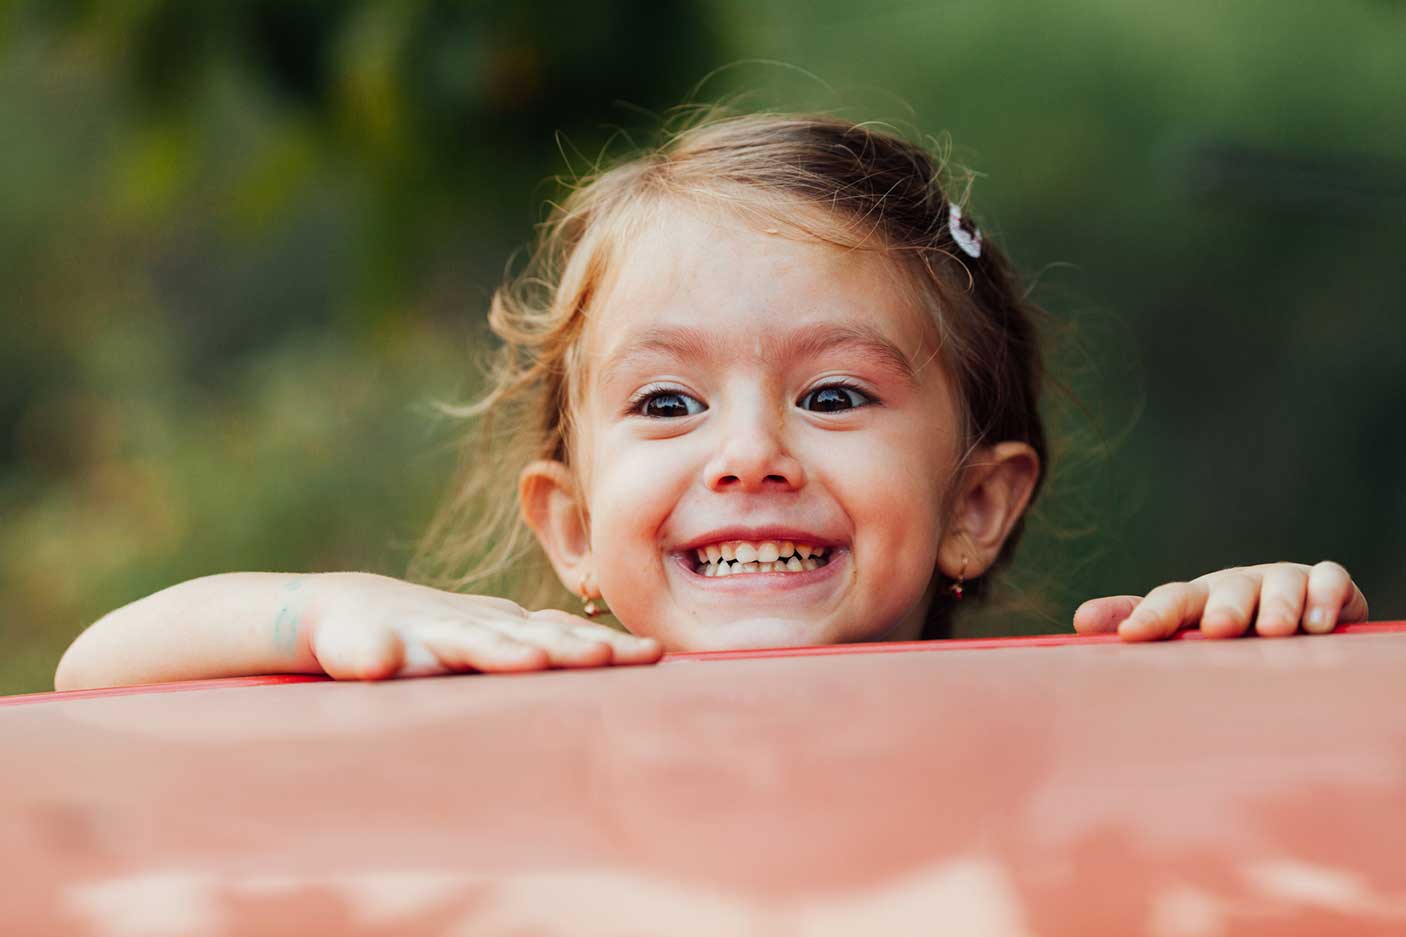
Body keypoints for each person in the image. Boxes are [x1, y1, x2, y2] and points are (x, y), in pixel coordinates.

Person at [54, 113, 1369, 690]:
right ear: (568, 527)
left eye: (835, 392)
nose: (748, 455)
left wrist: (1267, 649)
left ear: (975, 503)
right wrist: (318, 607)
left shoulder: (1087, 715)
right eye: (670, 404)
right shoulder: (504, 691)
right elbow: (93, 671)